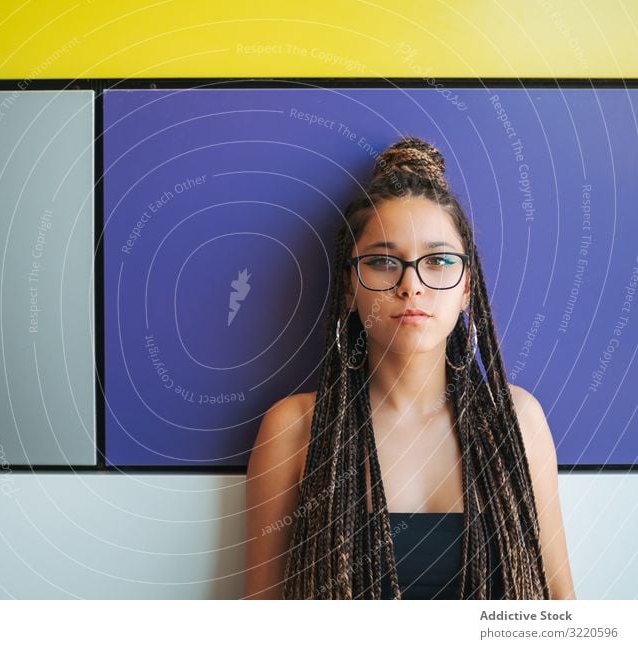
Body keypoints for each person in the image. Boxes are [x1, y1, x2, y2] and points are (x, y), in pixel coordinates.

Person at [243, 136, 576, 600]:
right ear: (348, 287)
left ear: (466, 290)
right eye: (382, 262)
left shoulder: (516, 421)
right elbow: (260, 618)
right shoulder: (295, 428)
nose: (411, 285)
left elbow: (559, 602)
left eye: (438, 261)